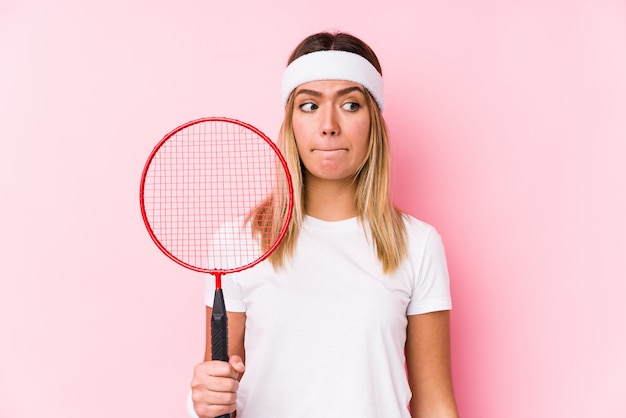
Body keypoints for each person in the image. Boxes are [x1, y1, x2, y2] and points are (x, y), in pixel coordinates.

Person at [188, 31, 459, 418]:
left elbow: (434, 402)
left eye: (350, 105)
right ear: (291, 121)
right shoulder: (238, 242)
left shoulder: (418, 244)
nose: (329, 125)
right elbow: (217, 394)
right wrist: (202, 400)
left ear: (374, 123)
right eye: (309, 105)